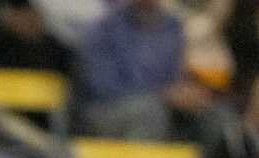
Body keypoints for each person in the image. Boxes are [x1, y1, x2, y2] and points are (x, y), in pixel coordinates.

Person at [70, 0, 195, 140]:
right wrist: (161, 95)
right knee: (148, 112)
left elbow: (173, 79)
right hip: (105, 111)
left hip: (163, 109)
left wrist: (187, 94)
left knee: (215, 115)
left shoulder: (173, 27)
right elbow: (102, 87)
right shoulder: (104, 28)